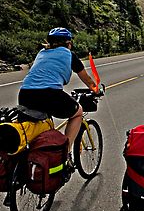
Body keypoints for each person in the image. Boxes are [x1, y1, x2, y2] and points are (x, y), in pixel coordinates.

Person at [18, 27, 100, 179]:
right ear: (68, 43)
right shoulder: (69, 55)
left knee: (39, 124)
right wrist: (95, 89)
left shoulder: (41, 53)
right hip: (50, 93)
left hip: (25, 94)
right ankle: (65, 152)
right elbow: (86, 78)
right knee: (77, 112)